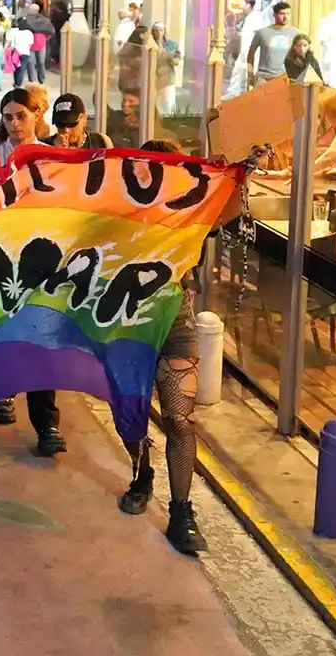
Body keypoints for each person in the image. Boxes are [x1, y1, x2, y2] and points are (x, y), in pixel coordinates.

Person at [116, 138, 207, 555]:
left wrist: (244, 169)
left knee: (181, 421)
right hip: (127, 327)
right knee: (130, 415)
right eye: (148, 171)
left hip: (175, 325)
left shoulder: (192, 212)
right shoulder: (118, 215)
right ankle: (142, 475)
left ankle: (182, 512)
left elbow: (226, 208)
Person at [0, 89, 67, 456]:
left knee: (40, 338)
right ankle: (3, 388)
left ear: (37, 115)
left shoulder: (52, 157)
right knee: (4, 328)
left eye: (21, 115)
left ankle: (47, 424)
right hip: (1, 254)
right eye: (8, 117)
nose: (15, 123)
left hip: (41, 258)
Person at [246, 1, 300, 87]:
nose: (285, 17)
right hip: (264, 78)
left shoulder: (296, 33)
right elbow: (251, 55)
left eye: (288, 14)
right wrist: (250, 75)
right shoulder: (262, 32)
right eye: (282, 14)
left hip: (285, 78)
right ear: (274, 15)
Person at [42, 93, 111, 149]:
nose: (66, 130)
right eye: (60, 124)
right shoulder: (44, 146)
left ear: (84, 119)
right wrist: (55, 152)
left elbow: (112, 162)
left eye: (71, 124)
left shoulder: (101, 142)